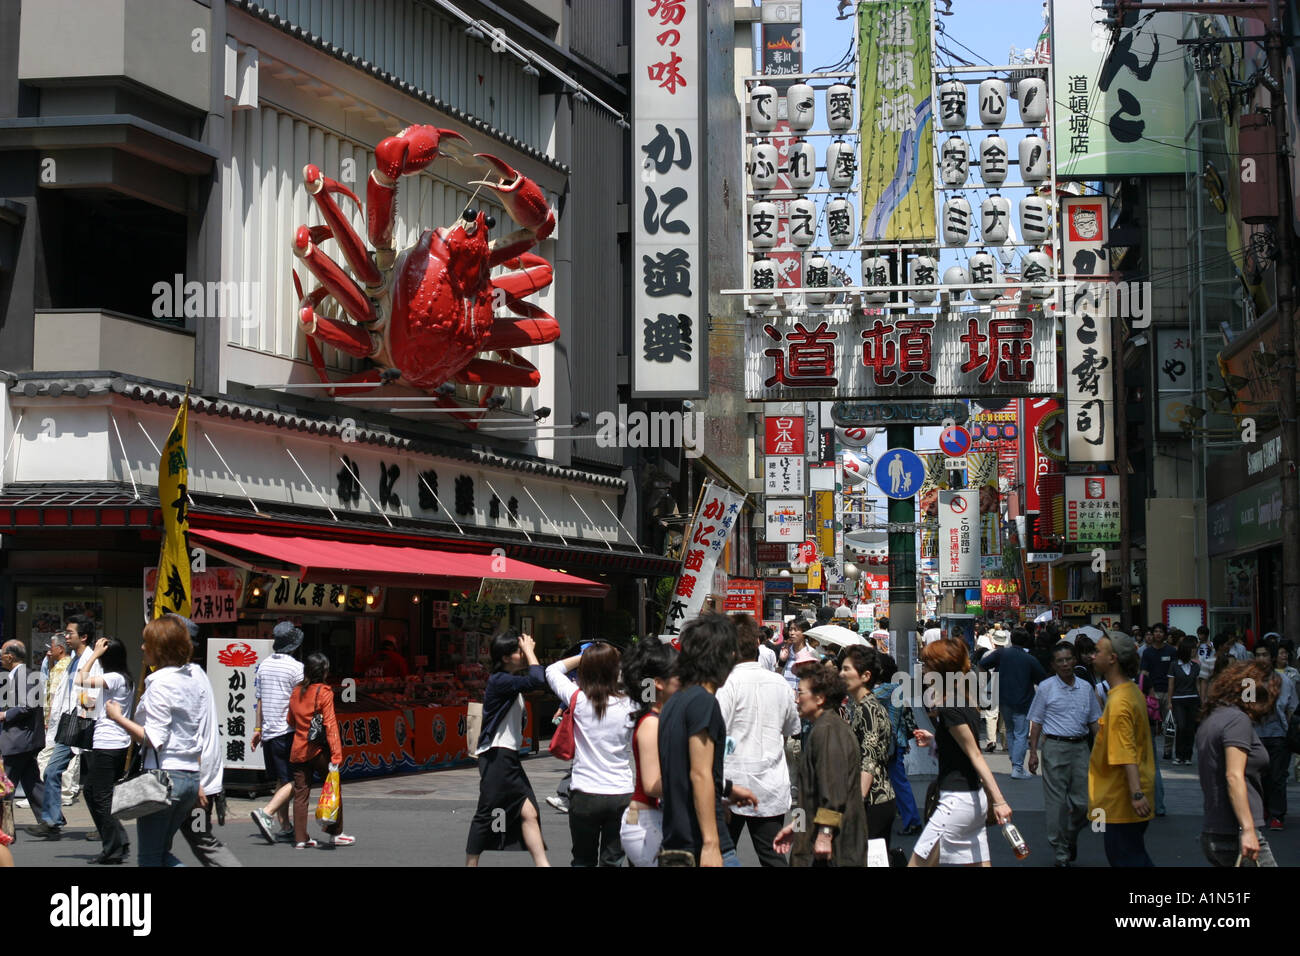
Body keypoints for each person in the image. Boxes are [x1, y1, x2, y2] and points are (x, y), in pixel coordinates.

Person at [105, 616, 216, 867]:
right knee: (160, 852)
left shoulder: (160, 683)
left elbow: (154, 738)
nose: (142, 647)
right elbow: (195, 734)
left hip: (165, 777)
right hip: (188, 776)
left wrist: (117, 718)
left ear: (160, 648)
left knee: (150, 858)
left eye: (147, 642)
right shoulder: (191, 680)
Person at [657, 615, 757, 867]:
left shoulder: (674, 703)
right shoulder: (703, 702)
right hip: (703, 843)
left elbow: (682, 766)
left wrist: (726, 789)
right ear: (722, 657)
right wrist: (712, 844)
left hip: (675, 840)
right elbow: (699, 773)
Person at [909, 639, 1013, 867]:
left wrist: (999, 801)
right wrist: (937, 740)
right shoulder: (965, 699)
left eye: (926, 664)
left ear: (940, 668)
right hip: (972, 801)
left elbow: (974, 754)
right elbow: (964, 748)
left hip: (956, 801)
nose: (923, 670)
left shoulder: (950, 707)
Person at [717, 616, 800, 867]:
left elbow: (715, 736)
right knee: (773, 856)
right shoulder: (779, 683)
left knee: (721, 853)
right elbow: (791, 728)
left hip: (730, 786)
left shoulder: (724, 685)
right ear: (757, 643)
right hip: (769, 784)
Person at [545, 642, 635, 867]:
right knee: (612, 860)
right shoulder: (631, 705)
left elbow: (552, 671)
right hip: (621, 792)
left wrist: (583, 657)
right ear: (616, 671)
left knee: (582, 860)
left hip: (585, 791)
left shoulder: (578, 699)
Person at [466, 630, 549, 866]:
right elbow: (537, 679)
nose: (523, 654)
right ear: (504, 658)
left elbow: (538, 678)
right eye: (517, 651)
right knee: (485, 814)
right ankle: (471, 864)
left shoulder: (509, 682)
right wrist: (532, 652)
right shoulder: (500, 680)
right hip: (497, 757)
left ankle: (543, 864)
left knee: (530, 813)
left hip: (507, 757)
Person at [773, 663, 867, 866]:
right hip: (814, 838)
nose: (796, 699)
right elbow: (808, 794)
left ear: (819, 698)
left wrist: (825, 834)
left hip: (833, 849)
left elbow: (832, 792)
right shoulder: (821, 728)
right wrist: (796, 825)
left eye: (801, 693)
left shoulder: (828, 731)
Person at [173, 615, 240, 866]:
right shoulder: (195, 673)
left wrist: (197, 781)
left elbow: (191, 733)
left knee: (199, 840)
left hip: (189, 777)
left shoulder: (183, 679)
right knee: (199, 839)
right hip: (195, 776)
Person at [1026, 642, 1102, 867]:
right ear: (1053, 665)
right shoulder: (1047, 687)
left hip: (1081, 749)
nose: (1066, 664)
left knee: (1085, 804)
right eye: (1060, 661)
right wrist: (1032, 753)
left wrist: (1103, 749)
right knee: (1056, 804)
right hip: (1055, 749)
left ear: (1075, 660)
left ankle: (1069, 837)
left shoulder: (1086, 688)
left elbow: (1094, 722)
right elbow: (1036, 722)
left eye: (1068, 659)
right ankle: (1060, 852)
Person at [1196, 660, 1278, 866]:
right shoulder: (1236, 721)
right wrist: (1248, 830)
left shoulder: (1214, 717)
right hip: (1236, 832)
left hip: (1216, 830)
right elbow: (1234, 776)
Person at [1088, 633, 1155, 867]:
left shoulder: (1119, 702)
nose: (1092, 656)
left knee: (1127, 859)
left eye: (1098, 651)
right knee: (1132, 855)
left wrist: (1136, 794)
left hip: (1121, 798)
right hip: (1124, 795)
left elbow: (1124, 751)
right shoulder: (1130, 691)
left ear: (1112, 658)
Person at [31, 616, 95, 837]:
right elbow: (62, 695)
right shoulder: (73, 661)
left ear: (84, 637)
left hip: (85, 726)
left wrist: (86, 723)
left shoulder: (92, 660)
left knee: (98, 781)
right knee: (51, 771)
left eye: (70, 633)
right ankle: (52, 820)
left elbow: (92, 695)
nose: (66, 637)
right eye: (66, 633)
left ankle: (107, 826)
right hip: (68, 726)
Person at [73, 637, 133, 863]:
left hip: (109, 744)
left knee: (100, 796)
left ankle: (113, 849)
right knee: (93, 793)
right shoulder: (123, 678)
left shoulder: (115, 678)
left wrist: (94, 655)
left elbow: (80, 678)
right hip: (112, 743)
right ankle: (118, 841)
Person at [617, 640, 678, 867]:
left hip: (650, 820)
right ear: (658, 684)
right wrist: (696, 777)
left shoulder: (658, 719)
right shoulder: (651, 723)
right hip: (646, 821)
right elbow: (652, 785)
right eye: (678, 673)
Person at [288, 652, 352, 848]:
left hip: (298, 749)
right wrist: (336, 754)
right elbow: (330, 725)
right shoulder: (324, 692)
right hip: (317, 750)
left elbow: (289, 720)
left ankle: (300, 839)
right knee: (333, 785)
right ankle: (335, 832)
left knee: (301, 794)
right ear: (324, 671)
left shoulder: (296, 691)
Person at [250, 621, 305, 845]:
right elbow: (303, 702)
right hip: (288, 731)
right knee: (298, 779)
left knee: (282, 779)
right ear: (293, 645)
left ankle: (285, 826)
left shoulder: (263, 666)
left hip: (270, 732)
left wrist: (257, 728)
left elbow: (260, 701)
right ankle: (267, 812)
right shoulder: (296, 668)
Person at [839, 645, 896, 850]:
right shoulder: (864, 706)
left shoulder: (867, 709)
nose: (841, 674)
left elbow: (869, 758)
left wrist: (857, 802)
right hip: (877, 798)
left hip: (872, 800)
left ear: (865, 676)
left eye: (846, 669)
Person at [977, 627, 1046, 778]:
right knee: (1020, 734)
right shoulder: (1030, 659)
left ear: (1011, 639)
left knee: (1010, 730)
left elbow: (982, 664)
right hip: (1023, 701)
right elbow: (1042, 680)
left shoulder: (1002, 653)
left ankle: (1015, 763)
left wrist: (988, 682)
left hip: (1003, 698)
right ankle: (1017, 767)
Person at [874, 654, 922, 836]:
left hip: (890, 742)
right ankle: (907, 816)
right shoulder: (897, 688)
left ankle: (912, 820)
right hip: (897, 741)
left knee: (898, 782)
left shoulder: (887, 689)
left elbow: (864, 698)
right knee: (896, 781)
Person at [0, 640, 46, 826]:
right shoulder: (19, 675)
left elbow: (26, 707)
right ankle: (50, 821)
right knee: (32, 783)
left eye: (1, 653)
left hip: (19, 740)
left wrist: (5, 714)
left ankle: (4, 826)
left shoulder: (24, 675)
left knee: (5, 785)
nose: (0, 657)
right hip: (23, 740)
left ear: (10, 656)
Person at [1252, 643, 1296, 831]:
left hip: (1279, 734)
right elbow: (1247, 707)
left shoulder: (1284, 680)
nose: (1261, 658)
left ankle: (1277, 814)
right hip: (1256, 734)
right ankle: (1264, 809)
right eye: (1258, 655)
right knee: (1260, 775)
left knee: (1278, 776)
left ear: (1271, 658)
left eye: (1264, 655)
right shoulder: (1249, 680)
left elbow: (1291, 707)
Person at [1140, 624, 1176, 761]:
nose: (1158, 634)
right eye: (1155, 631)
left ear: (1165, 634)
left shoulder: (1171, 651)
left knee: (1169, 724)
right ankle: (1150, 749)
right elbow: (1144, 672)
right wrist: (1147, 691)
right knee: (1150, 724)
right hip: (1152, 692)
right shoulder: (1147, 652)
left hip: (1168, 691)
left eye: (1161, 631)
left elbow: (1175, 672)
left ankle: (1168, 751)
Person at [1167, 636, 1200, 766]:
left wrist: (1200, 701)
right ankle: (1179, 754)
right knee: (1181, 726)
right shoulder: (1174, 665)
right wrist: (1169, 702)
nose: (1194, 651)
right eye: (1192, 648)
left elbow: (1197, 684)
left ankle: (1188, 756)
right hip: (1178, 699)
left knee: (1190, 728)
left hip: (1192, 699)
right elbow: (1171, 685)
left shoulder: (1196, 666)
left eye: (1195, 649)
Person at [776, 617, 812, 693]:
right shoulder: (785, 651)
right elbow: (777, 675)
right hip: (786, 696)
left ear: (804, 633)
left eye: (796, 630)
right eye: (790, 629)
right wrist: (781, 662)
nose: (792, 633)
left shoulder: (811, 653)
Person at [1196, 626, 1215, 702]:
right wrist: (1197, 646)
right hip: (1199, 667)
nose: (1199, 636)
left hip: (1208, 668)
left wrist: (1211, 648)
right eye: (1198, 634)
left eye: (1201, 634)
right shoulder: (1197, 645)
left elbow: (1215, 654)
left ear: (1206, 635)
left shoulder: (1212, 644)